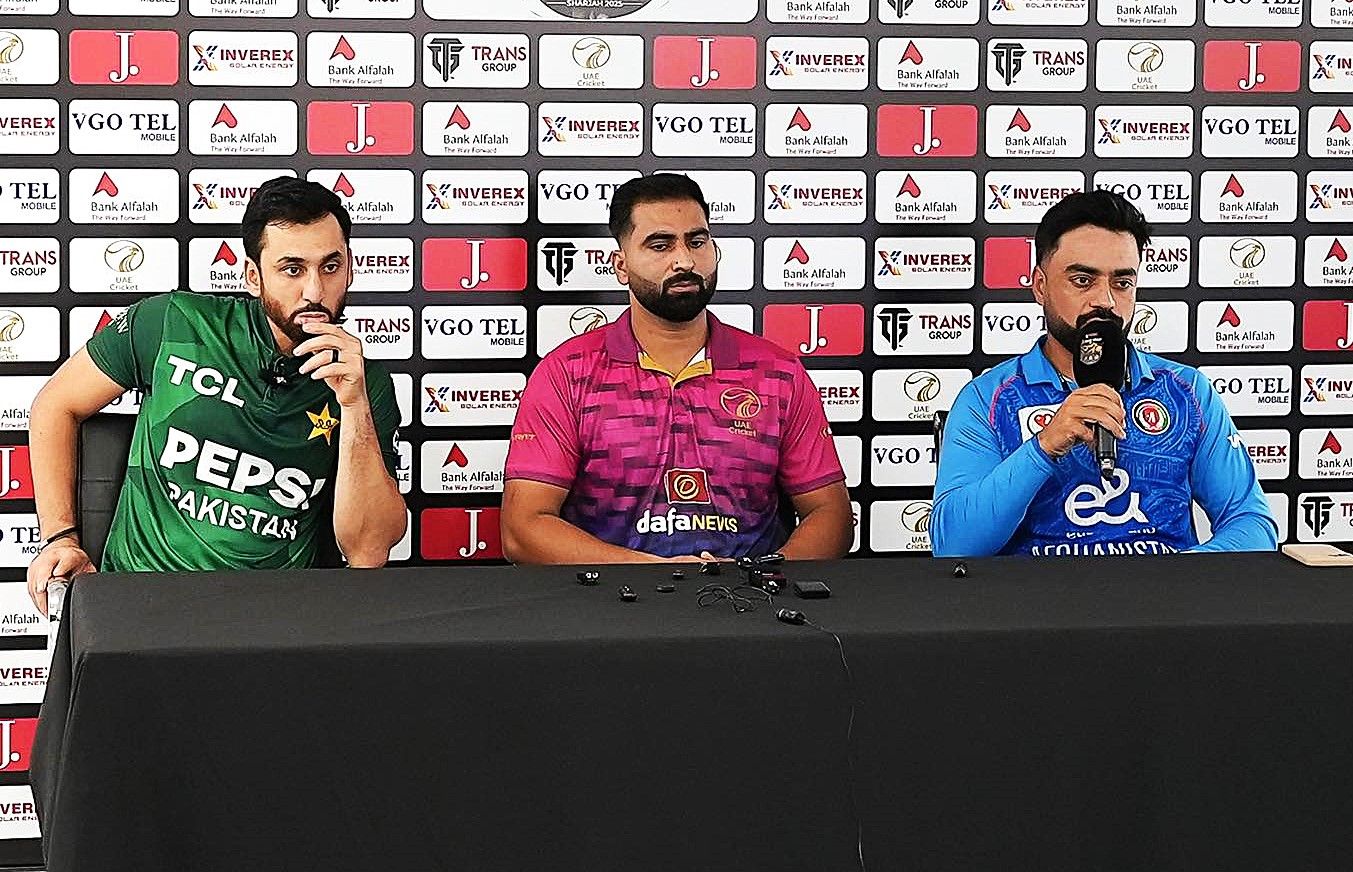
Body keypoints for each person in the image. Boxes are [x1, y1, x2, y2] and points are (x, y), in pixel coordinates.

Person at [26, 177, 406, 613]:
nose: (314, 292)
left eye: (331, 267)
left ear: (351, 268)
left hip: (280, 621)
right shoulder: (173, 323)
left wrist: (354, 405)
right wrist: (60, 538)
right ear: (253, 276)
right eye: (292, 269)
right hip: (141, 607)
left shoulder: (366, 382)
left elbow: (369, 552)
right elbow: (55, 405)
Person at [501, 173, 852, 564]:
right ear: (620, 265)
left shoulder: (777, 372)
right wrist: (656, 575)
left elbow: (831, 516)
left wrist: (755, 578)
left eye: (697, 242)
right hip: (609, 598)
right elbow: (523, 529)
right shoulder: (567, 373)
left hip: (750, 598)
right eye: (660, 245)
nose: (684, 260)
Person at [931, 190, 1277, 557]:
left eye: (1122, 282)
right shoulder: (987, 399)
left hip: (1165, 593)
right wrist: (1043, 446)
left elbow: (1252, 525)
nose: (1105, 301)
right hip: (1038, 594)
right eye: (1083, 280)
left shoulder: (1186, 391)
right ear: (1040, 286)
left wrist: (1167, 579)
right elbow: (953, 547)